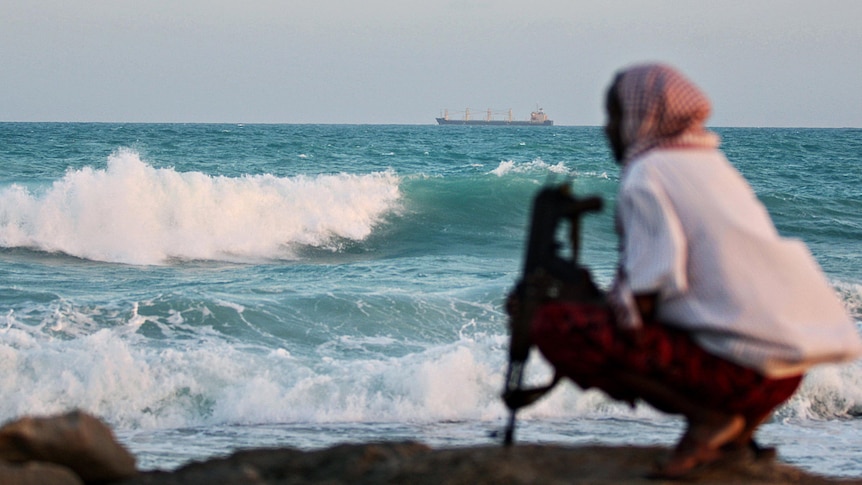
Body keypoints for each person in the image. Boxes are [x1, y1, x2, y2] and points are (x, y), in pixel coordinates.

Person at [518, 63, 862, 478]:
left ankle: (709, 419)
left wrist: (561, 305)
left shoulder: (647, 174)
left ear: (642, 118)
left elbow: (645, 297)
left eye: (614, 117)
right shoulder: (712, 166)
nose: (606, 129)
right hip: (783, 375)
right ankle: (737, 433)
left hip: (735, 374)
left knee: (556, 326)